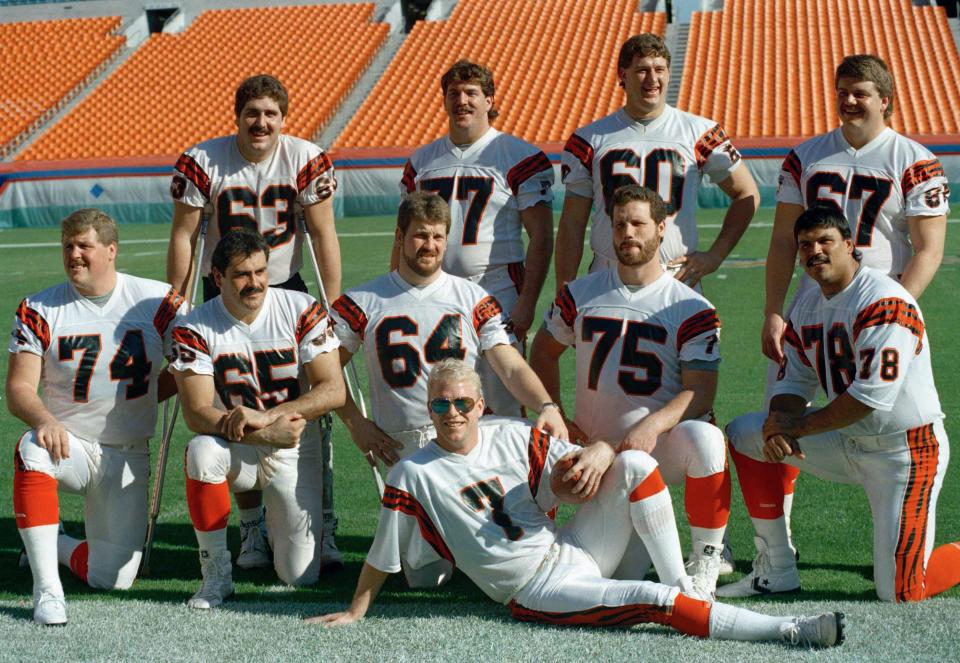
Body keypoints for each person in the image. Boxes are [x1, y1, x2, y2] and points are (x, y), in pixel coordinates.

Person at [307, 359, 844, 649]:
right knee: (651, 601)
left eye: (462, 402)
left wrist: (601, 449)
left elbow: (592, 460)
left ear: (480, 405)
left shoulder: (509, 434)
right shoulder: (412, 471)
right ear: (430, 408)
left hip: (571, 546)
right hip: (539, 589)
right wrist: (358, 608)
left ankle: (684, 580)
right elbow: (382, 552)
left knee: (634, 465)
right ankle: (789, 630)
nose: (452, 412)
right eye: (441, 403)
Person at [758, 54, 951, 553]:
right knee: (775, 422)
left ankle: (900, 533)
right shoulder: (807, 156)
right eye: (843, 90)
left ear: (885, 100)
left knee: (883, 418)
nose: (848, 100)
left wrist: (893, 313)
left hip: (879, 309)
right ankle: (777, 551)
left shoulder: (913, 160)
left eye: (860, 92)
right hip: (811, 310)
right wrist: (774, 310)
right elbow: (782, 240)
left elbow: (928, 249)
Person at [719, 206, 960, 602]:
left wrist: (796, 428)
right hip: (847, 439)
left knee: (900, 592)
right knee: (748, 432)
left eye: (825, 241)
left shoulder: (884, 299)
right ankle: (777, 565)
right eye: (805, 245)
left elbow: (871, 398)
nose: (815, 251)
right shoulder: (809, 302)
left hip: (904, 452)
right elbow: (795, 378)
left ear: (850, 246)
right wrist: (780, 423)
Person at [331, 192, 566, 587]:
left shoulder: (471, 297)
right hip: (406, 451)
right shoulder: (363, 301)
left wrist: (546, 403)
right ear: (400, 235)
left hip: (467, 443)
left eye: (439, 237)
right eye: (421, 235)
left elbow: (508, 364)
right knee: (425, 578)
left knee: (501, 554)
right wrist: (356, 422)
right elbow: (324, 372)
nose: (430, 246)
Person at [167, 74, 343, 570]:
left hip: (286, 285)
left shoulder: (305, 157)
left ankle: (322, 520)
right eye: (252, 113)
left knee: (314, 403)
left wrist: (333, 301)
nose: (261, 122)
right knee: (232, 400)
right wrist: (178, 301)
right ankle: (251, 527)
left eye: (270, 113)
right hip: (222, 287)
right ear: (238, 116)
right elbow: (184, 235)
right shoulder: (204, 160)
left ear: (283, 119)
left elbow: (324, 233)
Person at [530, 185, 728, 594]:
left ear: (661, 228)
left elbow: (700, 393)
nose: (628, 233)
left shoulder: (691, 307)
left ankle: (705, 561)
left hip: (654, 449)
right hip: (593, 453)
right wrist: (556, 412)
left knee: (706, 437)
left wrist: (653, 425)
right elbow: (543, 353)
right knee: (621, 578)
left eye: (638, 223)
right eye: (620, 224)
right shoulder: (580, 294)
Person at [8, 209, 185, 625]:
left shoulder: (158, 302)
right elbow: (18, 389)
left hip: (128, 452)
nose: (74, 254)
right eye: (67, 246)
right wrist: (44, 420)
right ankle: (47, 591)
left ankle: (60, 545)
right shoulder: (40, 307)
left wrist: (140, 398)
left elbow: (189, 368)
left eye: (84, 245)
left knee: (113, 578)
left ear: (110, 250)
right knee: (32, 450)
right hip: (69, 442)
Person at [169, 231, 345, 609]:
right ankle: (216, 574)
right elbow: (197, 411)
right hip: (241, 447)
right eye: (242, 274)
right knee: (201, 452)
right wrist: (261, 432)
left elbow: (333, 390)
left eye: (261, 271)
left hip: (294, 441)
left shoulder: (300, 307)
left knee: (299, 575)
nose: (255, 283)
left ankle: (289, 527)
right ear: (217, 278)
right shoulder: (195, 326)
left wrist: (268, 418)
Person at [398, 59, 555, 415]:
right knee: (441, 400)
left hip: (495, 289)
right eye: (454, 93)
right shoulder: (422, 161)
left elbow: (541, 236)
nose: (462, 101)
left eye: (472, 93)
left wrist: (527, 301)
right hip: (435, 293)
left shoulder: (518, 156)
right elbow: (403, 238)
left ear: (489, 100)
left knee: (502, 402)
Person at [554, 33, 758, 291]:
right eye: (642, 70)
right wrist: (565, 286)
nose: (652, 79)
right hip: (608, 279)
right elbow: (572, 222)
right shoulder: (589, 139)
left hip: (676, 278)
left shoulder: (699, 132)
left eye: (659, 69)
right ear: (622, 75)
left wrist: (715, 255)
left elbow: (746, 193)